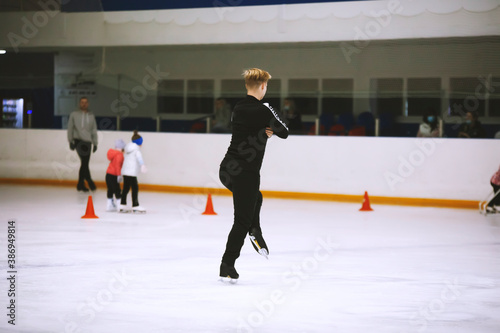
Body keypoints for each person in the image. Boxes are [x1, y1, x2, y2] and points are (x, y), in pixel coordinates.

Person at [218, 68, 289, 282]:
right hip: (246, 174)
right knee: (241, 220)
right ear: (263, 86)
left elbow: (251, 127)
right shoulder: (265, 110)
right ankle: (227, 264)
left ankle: (255, 229)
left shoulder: (238, 107)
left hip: (227, 169)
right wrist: (271, 129)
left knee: (256, 198)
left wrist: (267, 129)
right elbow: (284, 131)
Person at [67, 96, 98, 192]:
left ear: (87, 104)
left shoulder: (91, 116)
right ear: (79, 103)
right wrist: (70, 141)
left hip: (88, 142)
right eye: (82, 102)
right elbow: (70, 128)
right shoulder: (74, 114)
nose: (84, 104)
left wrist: (95, 143)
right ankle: (86, 182)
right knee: (84, 163)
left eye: (85, 102)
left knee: (85, 163)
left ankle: (82, 184)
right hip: (78, 141)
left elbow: (94, 129)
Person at [119, 131, 147, 213]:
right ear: (139, 142)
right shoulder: (137, 150)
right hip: (132, 172)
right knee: (135, 188)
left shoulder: (127, 149)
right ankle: (135, 205)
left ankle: (122, 205)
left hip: (125, 171)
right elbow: (139, 159)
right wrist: (142, 165)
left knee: (126, 188)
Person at [105, 139, 125, 212]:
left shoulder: (113, 153)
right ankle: (120, 206)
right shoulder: (119, 155)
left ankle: (109, 205)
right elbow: (117, 166)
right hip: (114, 175)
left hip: (108, 174)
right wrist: (119, 175)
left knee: (110, 190)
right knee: (117, 190)